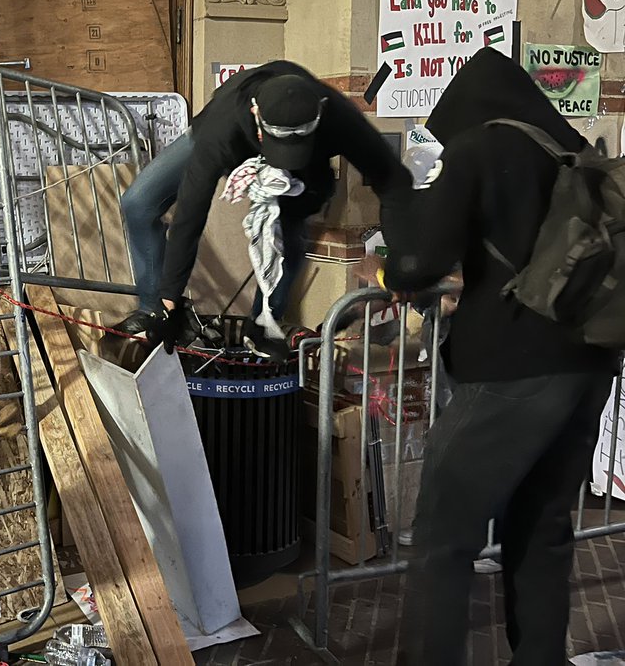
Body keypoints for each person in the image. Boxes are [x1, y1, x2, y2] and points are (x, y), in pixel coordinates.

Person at [375, 48, 618, 665]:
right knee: (544, 527)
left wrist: (397, 199)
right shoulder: (569, 150)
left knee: (442, 534)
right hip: (587, 365)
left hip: (511, 371)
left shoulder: (480, 148)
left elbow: (418, 261)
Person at [119, 60, 412, 356]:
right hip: (225, 136)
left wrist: (403, 263)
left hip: (307, 168)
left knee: (288, 236)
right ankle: (152, 309)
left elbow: (394, 181)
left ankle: (263, 326)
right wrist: (169, 303)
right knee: (138, 203)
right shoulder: (221, 128)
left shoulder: (338, 116)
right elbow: (190, 218)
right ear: (256, 112)